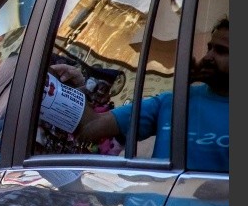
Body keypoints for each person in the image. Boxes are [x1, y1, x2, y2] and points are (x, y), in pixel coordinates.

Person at [72, 17, 229, 171]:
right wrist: (76, 87)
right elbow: (90, 127)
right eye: (209, 48)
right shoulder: (173, 100)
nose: (207, 57)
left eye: (221, 51)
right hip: (155, 189)